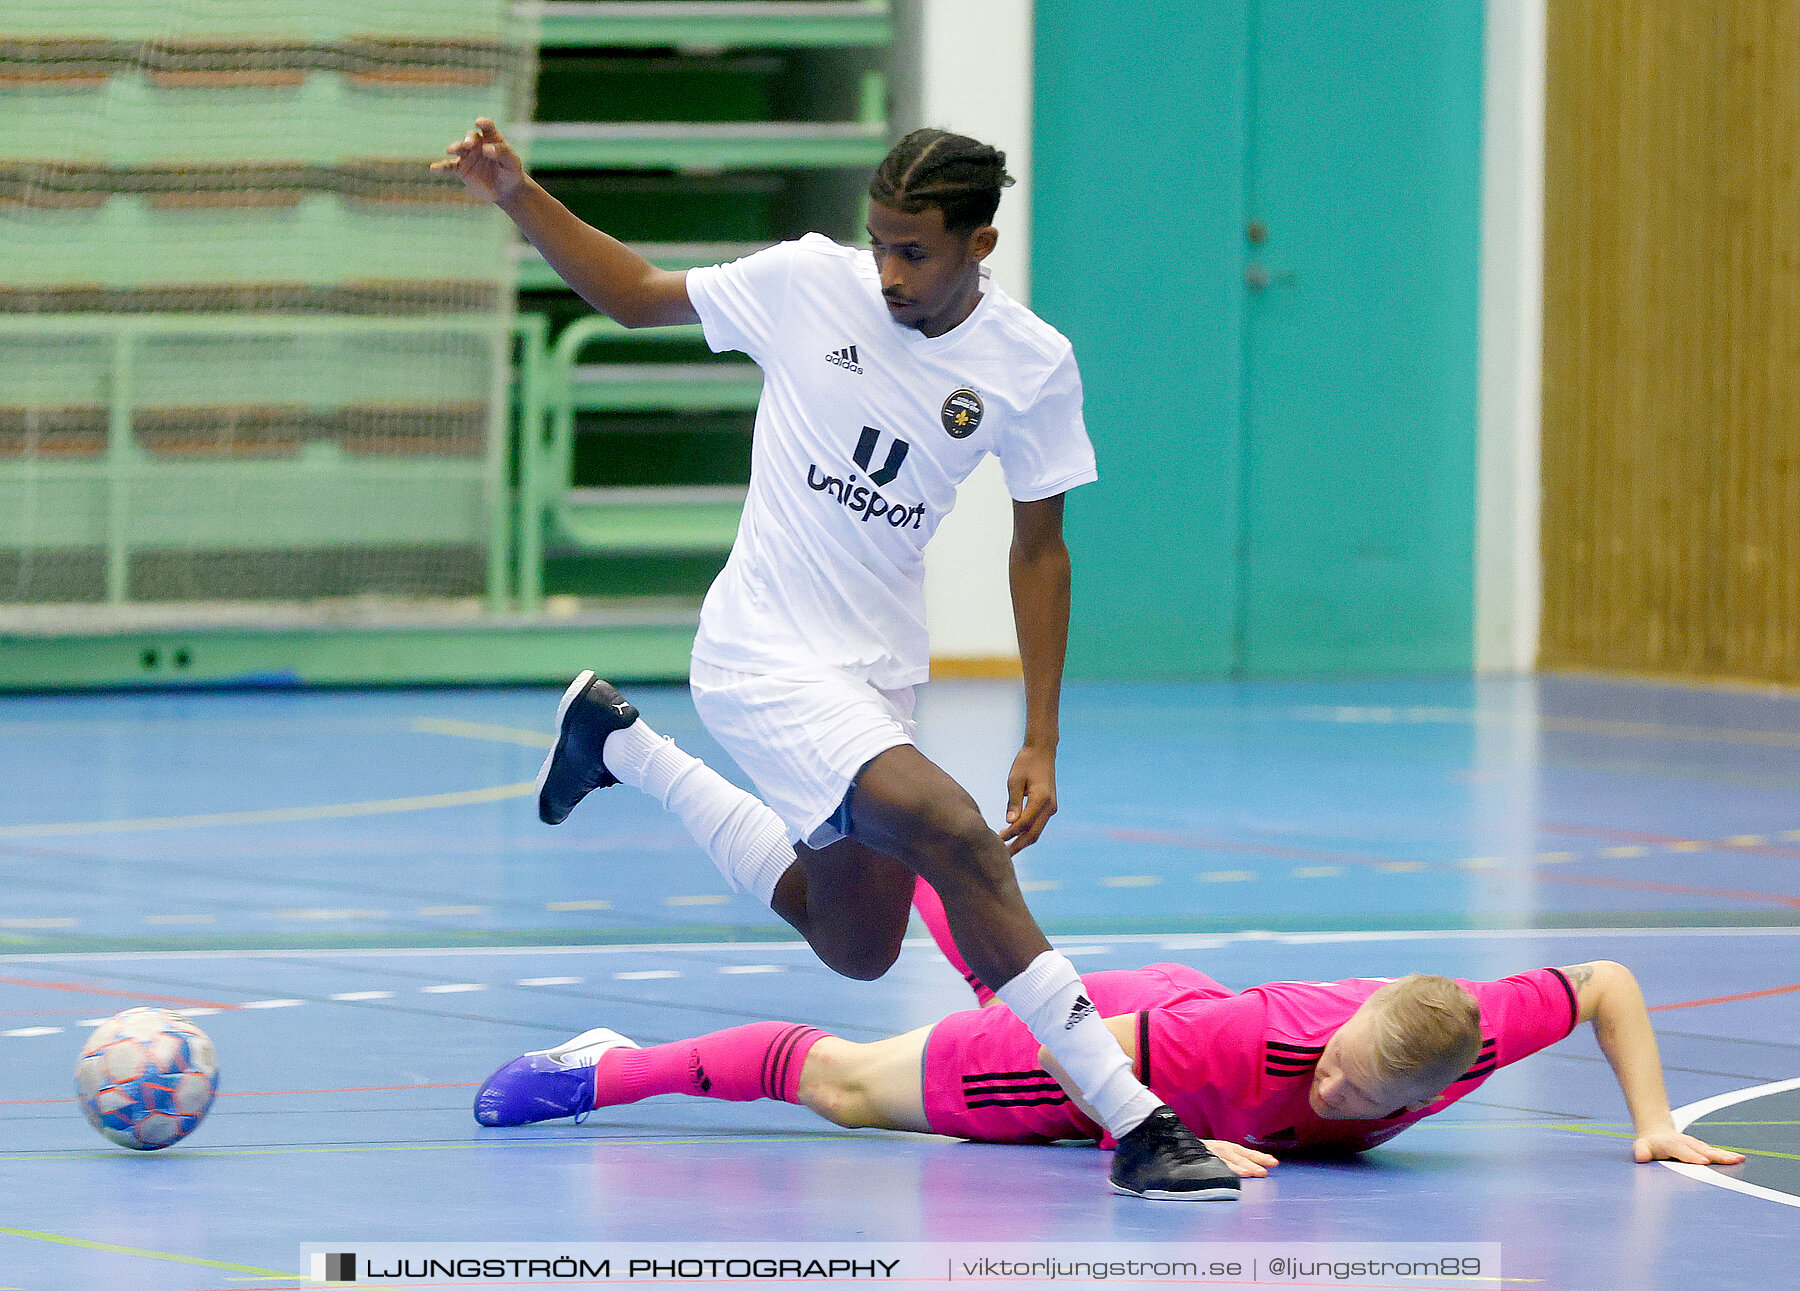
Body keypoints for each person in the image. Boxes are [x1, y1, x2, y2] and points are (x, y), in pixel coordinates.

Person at [434, 119, 1230, 1199]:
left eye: (916, 251)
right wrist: (517, 195)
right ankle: (1137, 1123)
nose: (889, 272)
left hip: (878, 669)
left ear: (979, 246)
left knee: (853, 941)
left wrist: (1041, 734)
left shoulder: (1032, 365)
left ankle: (620, 748)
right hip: (762, 651)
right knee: (955, 833)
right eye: (880, 243)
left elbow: (1040, 551)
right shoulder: (811, 283)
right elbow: (633, 294)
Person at [474, 907, 1747, 1176]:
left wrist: (1652, 1121)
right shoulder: (1260, 1049)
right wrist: (1180, 1137)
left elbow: (1606, 979)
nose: (1337, 1083)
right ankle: (599, 1066)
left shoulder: (1477, 1029)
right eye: (1338, 1059)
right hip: (1146, 1052)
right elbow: (1086, 1051)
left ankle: (949, 872)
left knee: (993, 971)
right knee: (852, 1086)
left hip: (1171, 1006)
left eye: (1357, 1086)